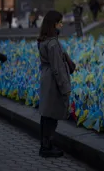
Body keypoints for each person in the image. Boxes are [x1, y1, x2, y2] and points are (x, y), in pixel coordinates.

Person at [37, 10, 72, 158]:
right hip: (53, 82)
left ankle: (45, 145)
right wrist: (65, 88)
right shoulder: (52, 44)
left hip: (46, 78)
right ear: (54, 24)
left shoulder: (43, 40)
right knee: (51, 115)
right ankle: (47, 147)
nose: (62, 25)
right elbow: (58, 68)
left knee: (46, 114)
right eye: (60, 22)